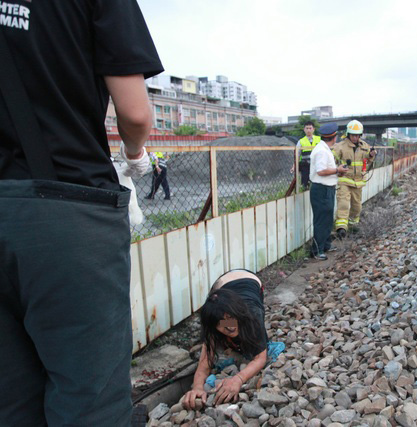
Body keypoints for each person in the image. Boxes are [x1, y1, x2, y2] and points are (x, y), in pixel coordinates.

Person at [0, 2, 162, 426]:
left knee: (11, 403)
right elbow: (135, 112)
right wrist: (134, 153)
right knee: (89, 403)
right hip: (65, 207)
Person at [183, 270, 270, 409]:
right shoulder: (215, 323)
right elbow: (204, 364)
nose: (229, 327)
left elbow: (260, 357)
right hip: (222, 284)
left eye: (231, 319)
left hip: (249, 280)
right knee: (220, 320)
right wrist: (197, 388)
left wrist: (238, 379)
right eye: (223, 323)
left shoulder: (251, 314)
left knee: (251, 339)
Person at [308, 123, 349, 260]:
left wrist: (338, 171)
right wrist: (338, 170)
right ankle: (317, 251)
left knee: (327, 219)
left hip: (326, 189)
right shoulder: (322, 151)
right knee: (321, 220)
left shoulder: (325, 149)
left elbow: (326, 170)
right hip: (321, 189)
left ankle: (325, 245)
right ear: (334, 137)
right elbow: (320, 171)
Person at [332, 119, 376, 238]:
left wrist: (371, 155)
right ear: (348, 134)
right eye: (353, 135)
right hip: (344, 180)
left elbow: (368, 159)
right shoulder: (340, 146)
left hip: (358, 182)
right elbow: (331, 161)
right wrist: (337, 170)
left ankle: (352, 226)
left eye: (357, 135)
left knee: (357, 207)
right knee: (343, 204)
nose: (355, 138)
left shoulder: (364, 146)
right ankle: (341, 228)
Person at [290, 121, 321, 189]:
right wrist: (294, 166)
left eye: (310, 128)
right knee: (305, 184)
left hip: (317, 165)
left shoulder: (319, 140)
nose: (308, 130)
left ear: (313, 129)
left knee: (317, 184)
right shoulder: (301, 141)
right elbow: (297, 155)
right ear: (304, 129)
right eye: (307, 128)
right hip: (306, 167)